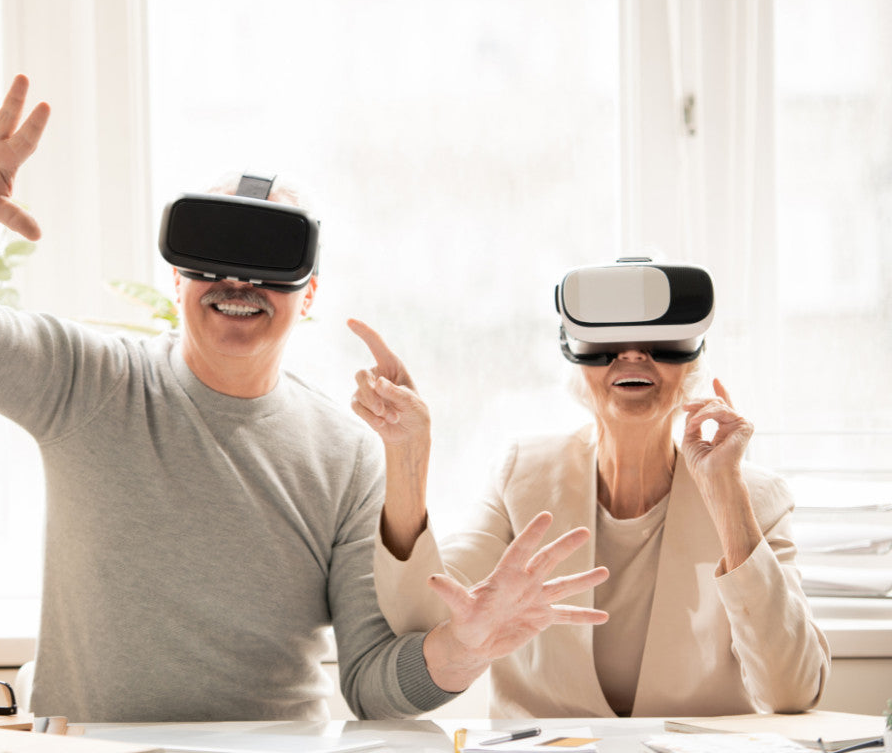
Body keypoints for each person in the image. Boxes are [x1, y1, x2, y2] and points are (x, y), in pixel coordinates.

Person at [0, 59, 608, 722]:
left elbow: (371, 687)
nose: (238, 284)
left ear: (312, 294)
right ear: (177, 279)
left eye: (268, 262)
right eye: (214, 259)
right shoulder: (87, 382)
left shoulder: (348, 454)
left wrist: (466, 647)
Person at [349, 262, 830, 718]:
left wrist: (726, 494)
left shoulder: (756, 499)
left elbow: (791, 692)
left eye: (658, 341)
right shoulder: (523, 473)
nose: (633, 356)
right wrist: (407, 451)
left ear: (693, 361)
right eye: (608, 341)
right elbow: (421, 615)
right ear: (575, 357)